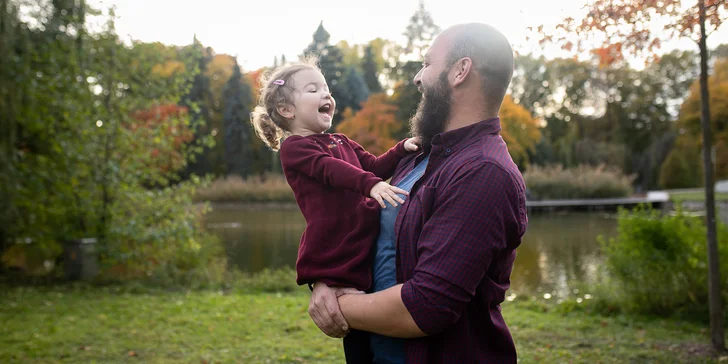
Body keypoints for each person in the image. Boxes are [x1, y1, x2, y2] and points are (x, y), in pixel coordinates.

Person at [307, 22, 528, 363]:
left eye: (427, 64)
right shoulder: (420, 156)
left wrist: (337, 306)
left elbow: (426, 307)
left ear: (460, 71)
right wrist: (325, 280)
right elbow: (362, 233)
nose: (417, 78)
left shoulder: (484, 173)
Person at [249, 58, 420, 363]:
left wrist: (401, 148)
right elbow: (330, 170)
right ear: (287, 110)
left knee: (374, 323)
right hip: (336, 250)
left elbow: (374, 166)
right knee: (353, 324)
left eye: (326, 89)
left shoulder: (341, 141)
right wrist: (370, 186)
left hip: (360, 242)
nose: (326, 95)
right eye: (313, 89)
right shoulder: (295, 147)